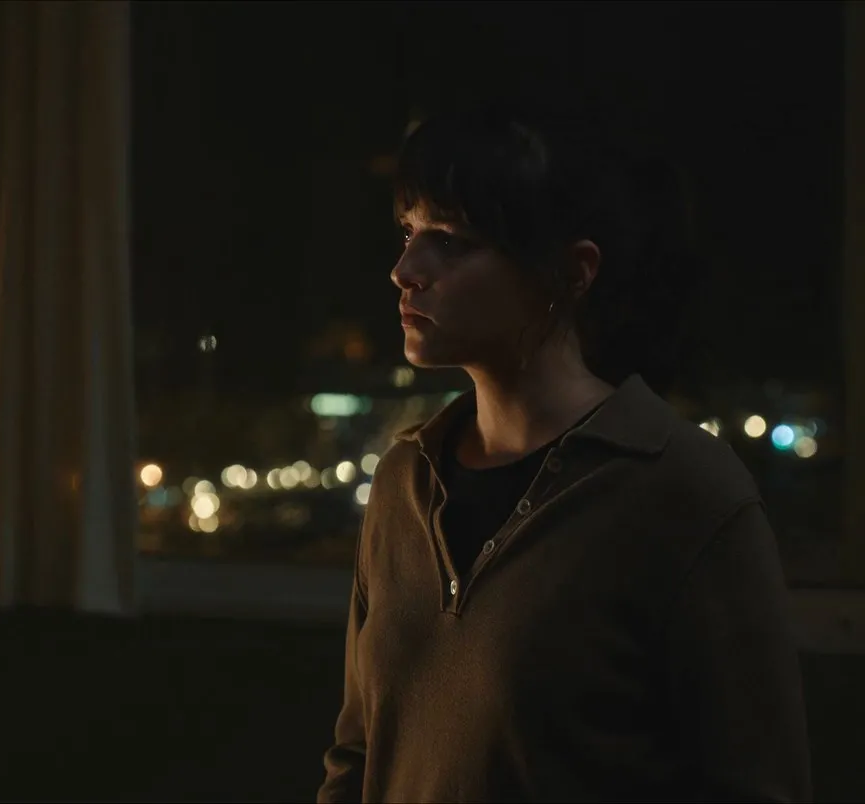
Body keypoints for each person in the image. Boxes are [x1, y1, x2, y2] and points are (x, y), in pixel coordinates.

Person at [317, 104, 812, 803]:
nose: (405, 270)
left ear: (572, 272)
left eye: (451, 241)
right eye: (408, 232)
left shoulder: (680, 489)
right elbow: (359, 752)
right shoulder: (407, 478)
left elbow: (756, 782)